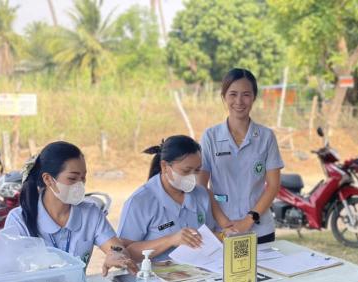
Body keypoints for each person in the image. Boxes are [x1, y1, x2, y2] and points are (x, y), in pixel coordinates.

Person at [4, 141, 138, 282]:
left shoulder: (90, 213)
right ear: (48, 179)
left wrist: (117, 255)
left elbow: (115, 247)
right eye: (72, 178)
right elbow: (14, 277)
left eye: (83, 178)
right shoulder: (19, 220)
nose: (80, 185)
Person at [199, 68, 284, 243]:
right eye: (233, 94)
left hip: (260, 231)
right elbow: (202, 185)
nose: (239, 101)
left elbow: (273, 185)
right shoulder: (210, 137)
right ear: (224, 97)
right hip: (221, 231)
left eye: (246, 94)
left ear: (254, 97)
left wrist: (248, 220)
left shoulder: (266, 137)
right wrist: (225, 223)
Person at [118, 135, 215, 262]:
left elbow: (210, 236)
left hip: (200, 273)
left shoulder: (201, 195)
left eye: (197, 170)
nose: (192, 177)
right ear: (164, 166)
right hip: (154, 279)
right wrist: (170, 240)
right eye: (186, 171)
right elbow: (125, 252)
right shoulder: (140, 202)